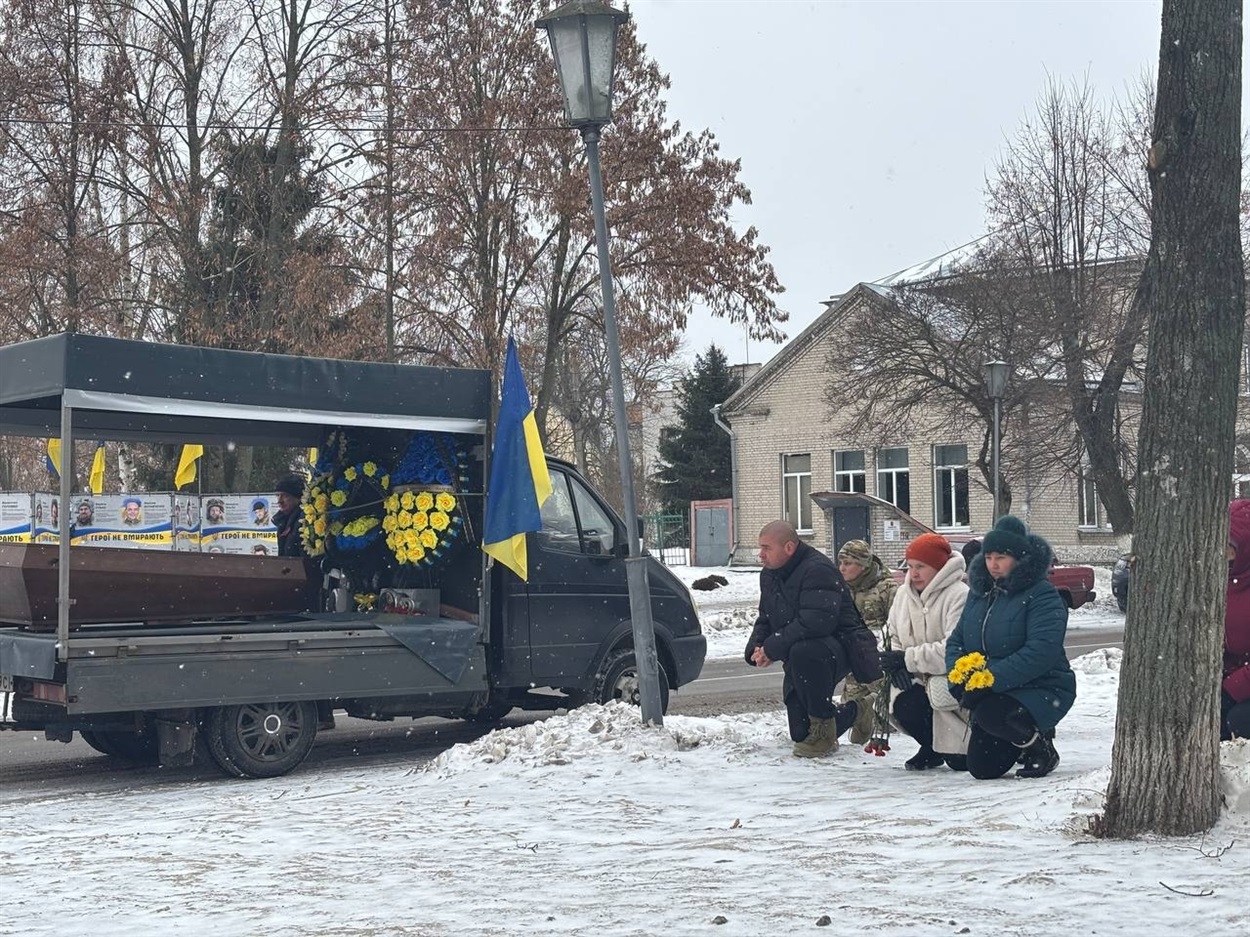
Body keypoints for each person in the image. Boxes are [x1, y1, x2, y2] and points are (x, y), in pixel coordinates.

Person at [945, 515, 1075, 780]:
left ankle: (1039, 747)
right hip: (995, 689)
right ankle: (1018, 740)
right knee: (982, 769)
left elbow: (1041, 651)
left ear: (1019, 559)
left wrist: (990, 680)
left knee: (992, 714)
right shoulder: (980, 593)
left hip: (1042, 686)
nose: (993, 564)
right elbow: (956, 640)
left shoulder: (1041, 594)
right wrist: (958, 677)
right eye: (989, 556)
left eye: (1001, 557)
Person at [745, 520, 873, 757]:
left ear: (789, 548)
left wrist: (773, 648)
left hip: (836, 649)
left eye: (766, 548)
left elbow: (816, 622)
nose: (760, 555)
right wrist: (758, 646)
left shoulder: (818, 569)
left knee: (804, 651)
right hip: (799, 650)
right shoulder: (770, 575)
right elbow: (767, 615)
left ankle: (824, 731)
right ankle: (858, 711)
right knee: (800, 733)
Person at [879, 533, 971, 771]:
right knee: (901, 699)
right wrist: (895, 662)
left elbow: (954, 649)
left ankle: (958, 744)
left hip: (949, 680)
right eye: (910, 566)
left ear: (939, 567)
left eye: (921, 566)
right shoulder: (903, 594)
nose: (914, 573)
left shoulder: (959, 594)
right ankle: (930, 746)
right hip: (917, 676)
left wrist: (908, 660)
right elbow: (891, 634)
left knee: (961, 763)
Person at [836, 539, 897, 744]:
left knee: (889, 709)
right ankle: (865, 718)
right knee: (850, 708)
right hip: (852, 657)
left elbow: (897, 623)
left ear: (863, 566)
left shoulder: (886, 588)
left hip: (876, 658)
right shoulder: (840, 588)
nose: (842, 568)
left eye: (848, 563)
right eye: (841, 563)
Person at [1222, 501, 1250, 740]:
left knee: (1238, 719)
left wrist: (1232, 688)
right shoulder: (1216, 580)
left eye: (1230, 546)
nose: (1223, 553)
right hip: (1231, 675)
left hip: (1244, 680)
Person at [273, 475, 306, 558]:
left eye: (285, 495)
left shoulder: (305, 521)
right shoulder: (282, 521)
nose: (279, 501)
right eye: (277, 495)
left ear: (298, 498)